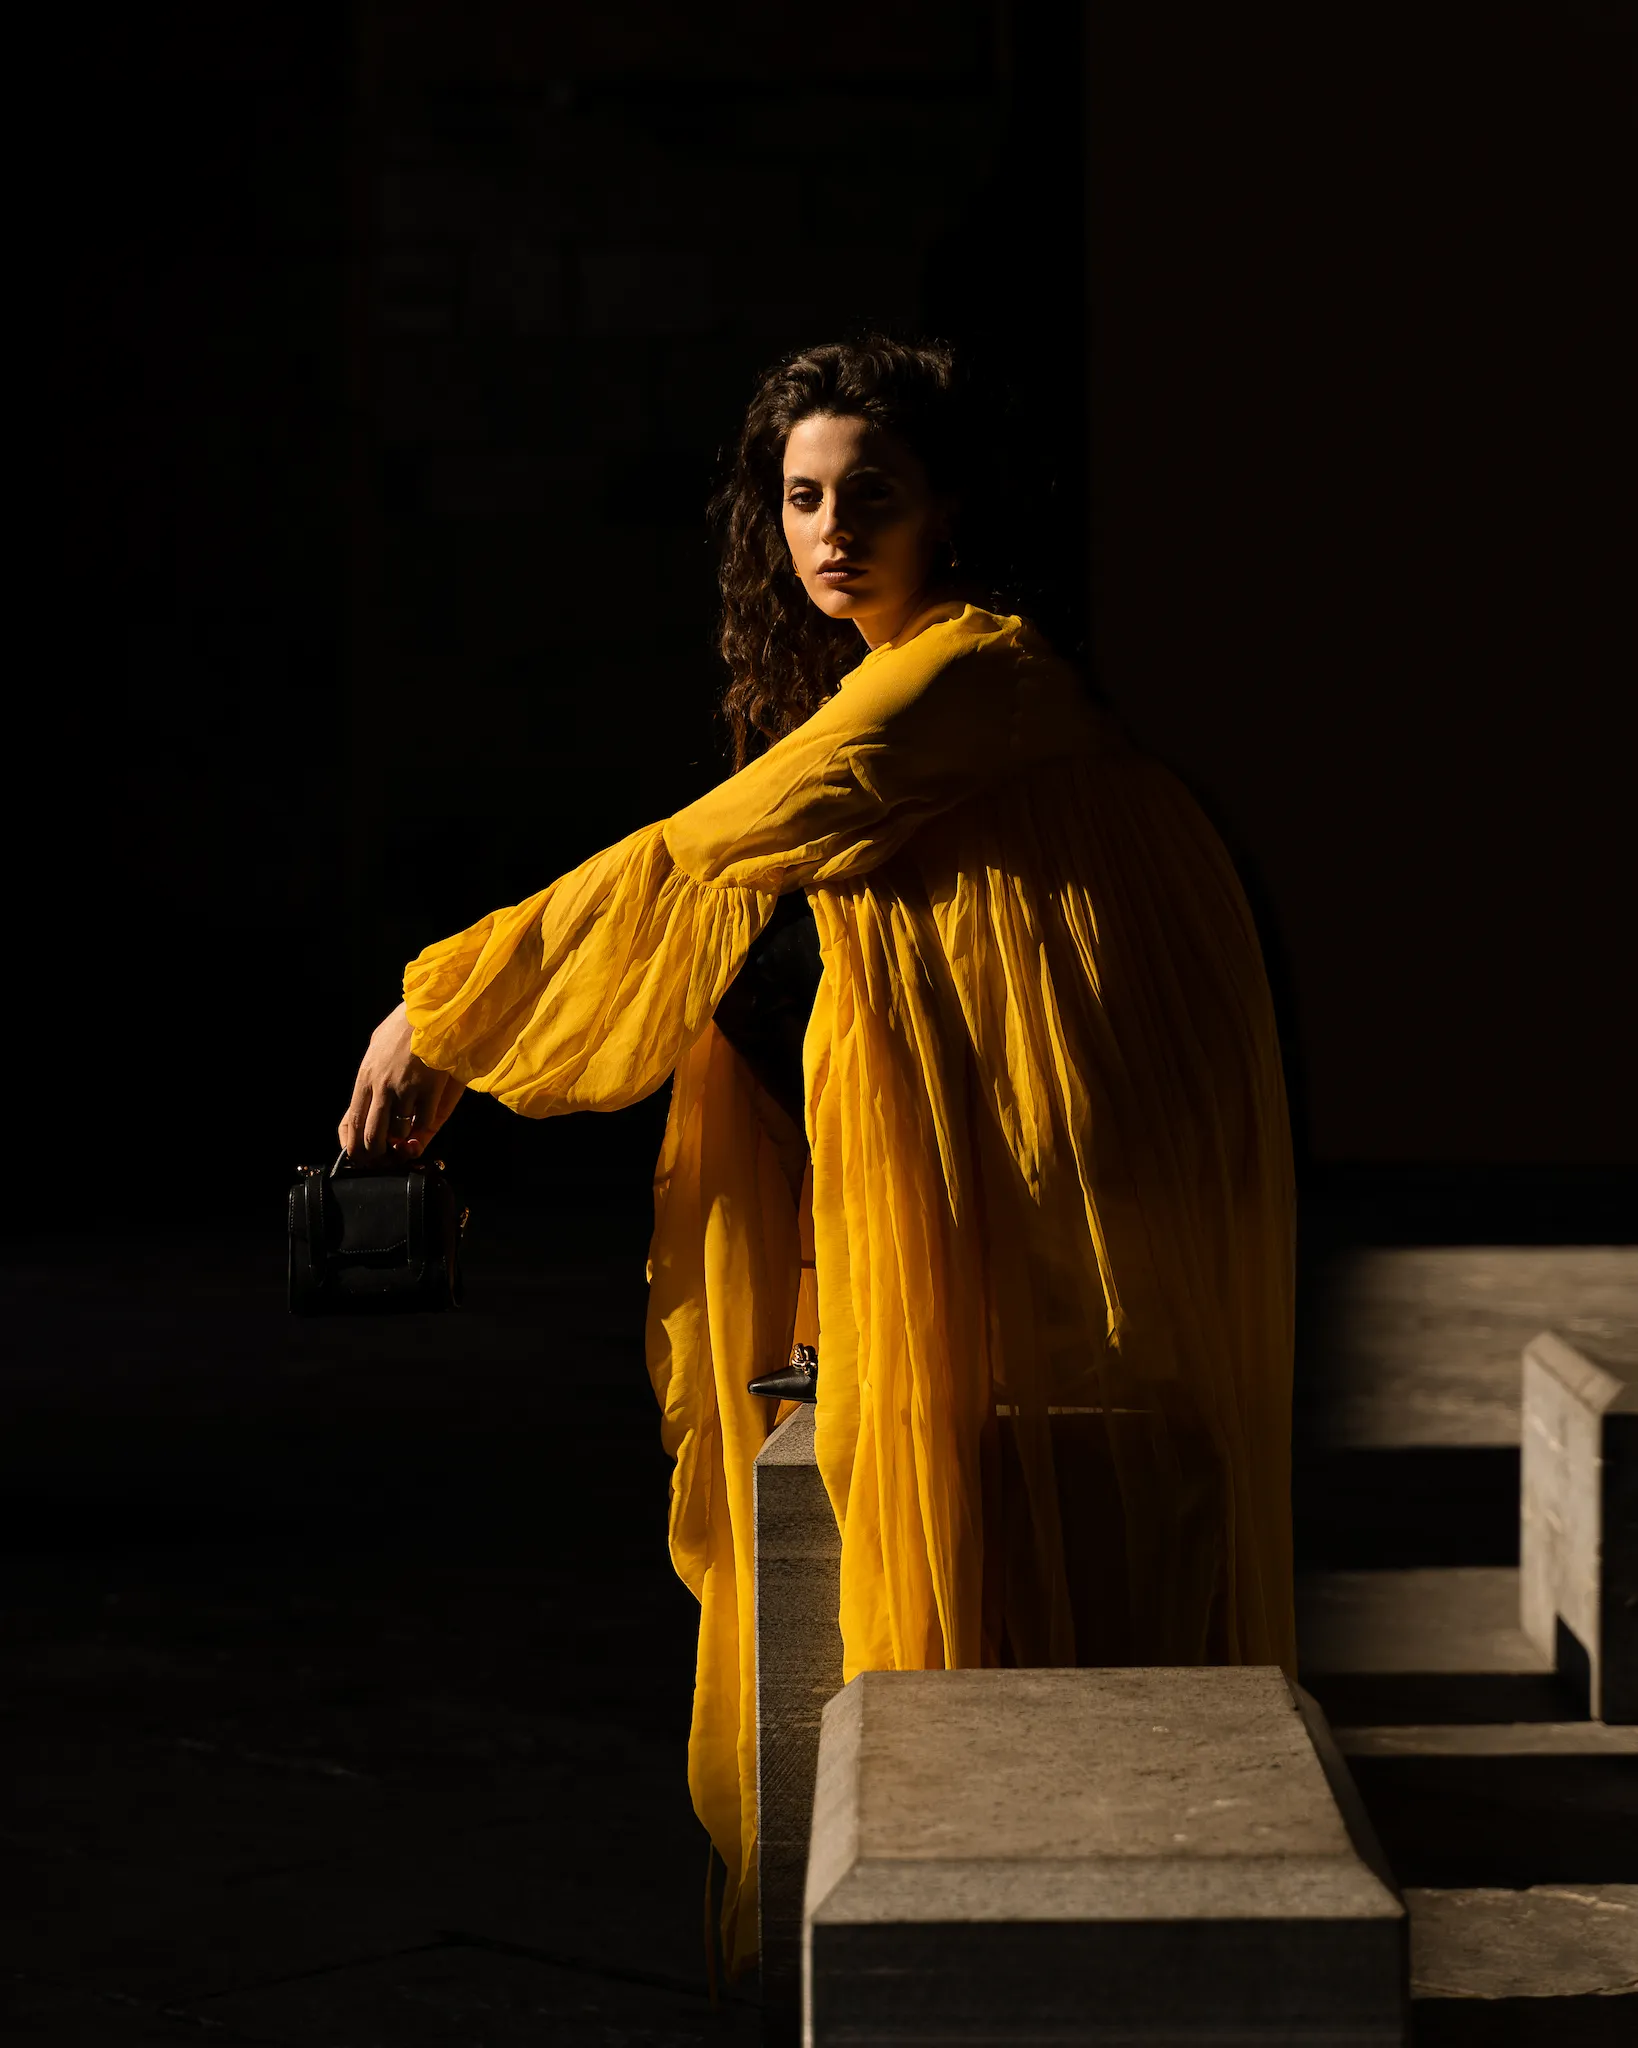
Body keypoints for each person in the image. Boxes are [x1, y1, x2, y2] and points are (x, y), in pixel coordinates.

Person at [339, 337, 1297, 1976]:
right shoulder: (903, 682)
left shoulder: (968, 668)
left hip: (1090, 1122)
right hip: (1064, 1106)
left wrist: (441, 1012)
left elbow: (711, 842)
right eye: (798, 498)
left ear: (949, 516)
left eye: (872, 496)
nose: (829, 529)